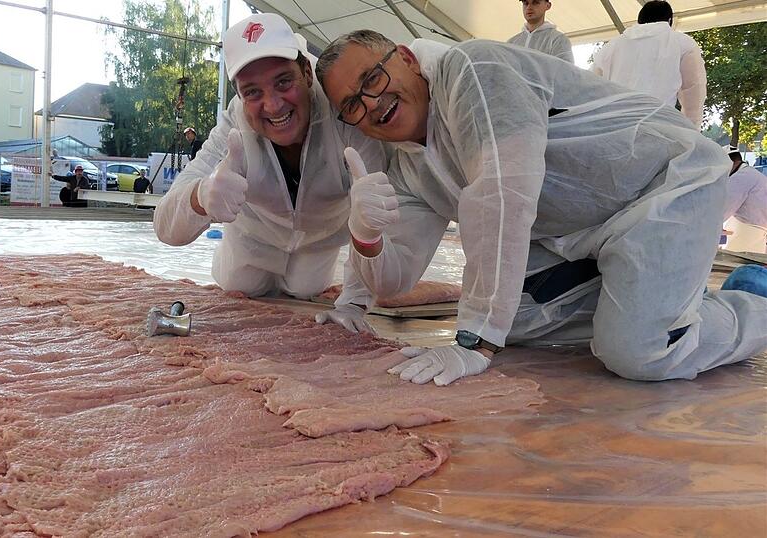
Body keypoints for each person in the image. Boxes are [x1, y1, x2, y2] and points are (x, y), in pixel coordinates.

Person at [314, 30, 767, 386]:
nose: (372, 104)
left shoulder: (472, 68)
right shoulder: (408, 164)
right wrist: (367, 237)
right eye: (352, 105)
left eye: (372, 79)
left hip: (661, 185)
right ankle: (659, 296)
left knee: (639, 352)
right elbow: (396, 279)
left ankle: (750, 305)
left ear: (407, 59)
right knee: (518, 320)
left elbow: (502, 195)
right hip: (577, 232)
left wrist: (475, 341)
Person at [153, 13, 385, 334]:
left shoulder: (342, 110)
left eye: (283, 82)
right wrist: (200, 196)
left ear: (306, 71)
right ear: (238, 94)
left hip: (320, 240)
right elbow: (165, 225)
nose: (273, 106)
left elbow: (381, 213)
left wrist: (356, 301)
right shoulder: (235, 123)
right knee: (241, 283)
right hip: (253, 237)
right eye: (252, 92)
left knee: (306, 288)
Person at [592, 0, 706, 129]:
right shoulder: (682, 43)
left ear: (639, 20)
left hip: (613, 128)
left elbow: (593, 90)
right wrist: (691, 131)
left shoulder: (610, 47)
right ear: (669, 21)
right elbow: (693, 93)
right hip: (657, 127)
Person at [721, 145, 767, 253]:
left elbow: (721, 210)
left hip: (749, 232)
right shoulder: (750, 174)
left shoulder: (742, 176)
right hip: (752, 231)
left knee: (733, 265)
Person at [507, 0, 574, 63]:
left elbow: (566, 71)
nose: (529, 7)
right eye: (526, 3)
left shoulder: (558, 40)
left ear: (548, 6)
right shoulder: (511, 43)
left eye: (535, 2)